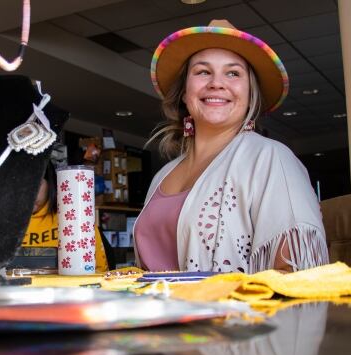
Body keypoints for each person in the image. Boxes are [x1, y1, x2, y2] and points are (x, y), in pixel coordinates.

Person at [134, 19, 328, 274]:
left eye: (233, 73)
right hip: (154, 313)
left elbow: (297, 274)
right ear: (184, 92)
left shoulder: (270, 158)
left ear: (250, 94)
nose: (216, 83)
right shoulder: (163, 175)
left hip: (231, 314)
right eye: (203, 72)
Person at [22, 162, 109, 272]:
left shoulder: (78, 219)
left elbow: (100, 272)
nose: (28, 193)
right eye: (21, 185)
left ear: (50, 184)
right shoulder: (4, 225)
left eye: (36, 184)